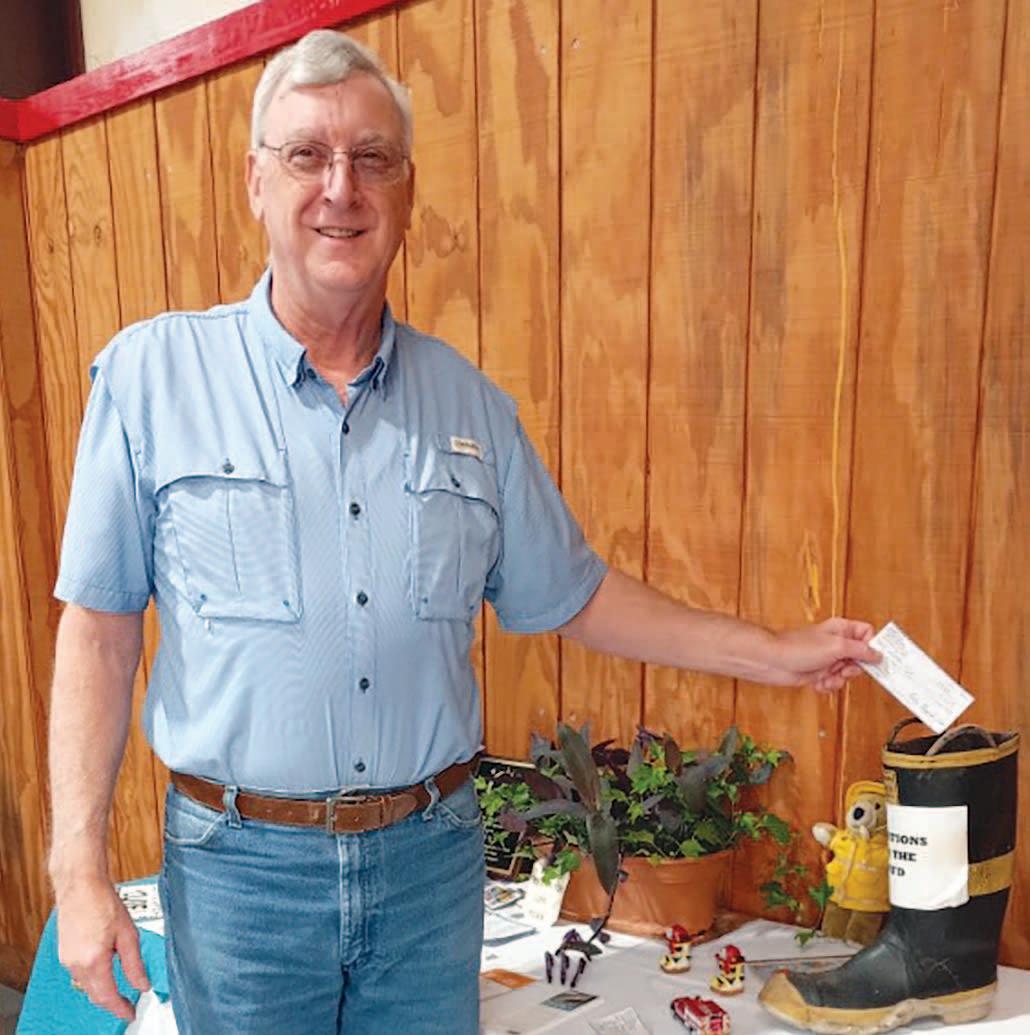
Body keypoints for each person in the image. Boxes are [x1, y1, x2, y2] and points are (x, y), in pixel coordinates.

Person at [47, 29, 879, 1035]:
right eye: (307, 155)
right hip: (242, 880)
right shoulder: (153, 378)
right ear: (256, 183)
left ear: (406, 194)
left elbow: (577, 593)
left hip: (428, 867)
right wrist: (77, 870)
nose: (341, 187)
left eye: (373, 158)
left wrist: (775, 653)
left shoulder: (471, 406)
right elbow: (98, 634)